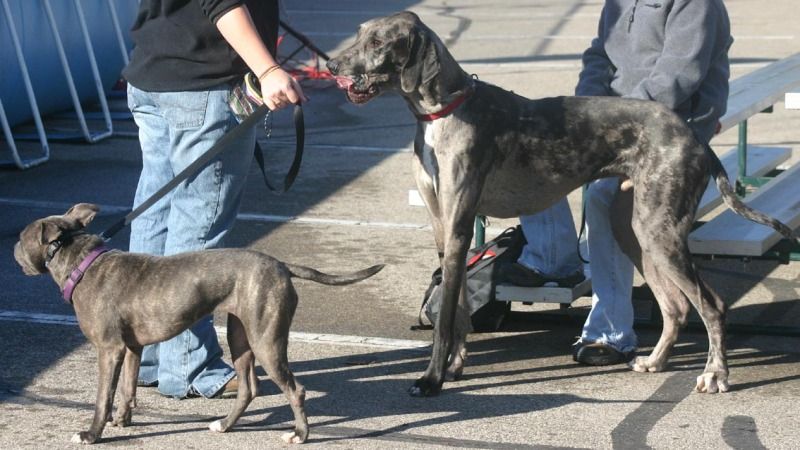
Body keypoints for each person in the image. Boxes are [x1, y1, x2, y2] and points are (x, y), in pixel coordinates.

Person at [503, 0, 732, 365]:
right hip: (614, 128)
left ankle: (611, 333)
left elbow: (678, 74)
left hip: (671, 130)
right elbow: (599, 55)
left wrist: (611, 121)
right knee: (535, 160)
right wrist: (588, 107)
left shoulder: (696, 4)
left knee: (605, 200)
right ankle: (551, 260)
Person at [122, 0, 305, 398]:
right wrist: (267, 69)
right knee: (198, 230)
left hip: (154, 73)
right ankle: (188, 365)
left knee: (156, 216)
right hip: (201, 83)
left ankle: (148, 355)